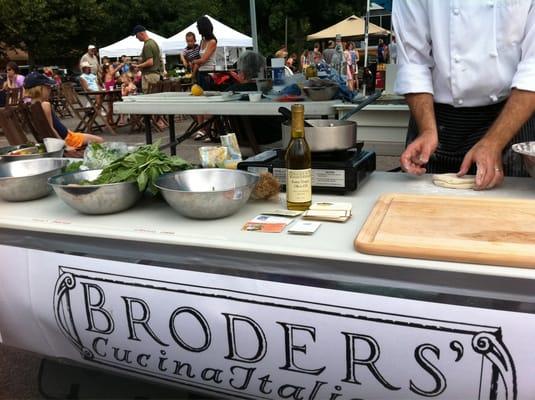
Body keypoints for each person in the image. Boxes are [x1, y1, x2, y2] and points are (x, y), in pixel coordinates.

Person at [393, 0, 535, 190]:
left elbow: (532, 68)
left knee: (508, 210)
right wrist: (427, 129)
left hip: (510, 117)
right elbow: (413, 61)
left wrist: (494, 142)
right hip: (436, 121)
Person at [23, 72, 103, 149]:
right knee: (100, 140)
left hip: (68, 136)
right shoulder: (45, 105)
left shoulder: (32, 106)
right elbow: (51, 129)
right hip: (69, 138)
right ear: (40, 88)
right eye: (48, 87)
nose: (50, 89)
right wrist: (65, 146)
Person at [226, 51, 282, 146]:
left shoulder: (230, 92)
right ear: (263, 70)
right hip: (272, 140)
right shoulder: (269, 90)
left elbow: (209, 116)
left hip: (241, 142)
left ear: (242, 73)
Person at [190, 16, 218, 141]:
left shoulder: (212, 41)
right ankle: (201, 128)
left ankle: (211, 129)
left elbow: (204, 59)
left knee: (208, 103)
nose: (197, 29)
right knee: (198, 102)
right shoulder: (202, 41)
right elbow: (199, 62)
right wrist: (193, 74)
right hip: (201, 73)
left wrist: (193, 61)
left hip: (209, 73)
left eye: (198, 27)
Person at [132, 25, 162, 93]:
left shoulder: (147, 45)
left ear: (141, 33)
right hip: (155, 75)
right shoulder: (153, 42)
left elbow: (150, 62)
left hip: (149, 76)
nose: (136, 38)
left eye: (136, 36)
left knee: (149, 98)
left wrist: (138, 66)